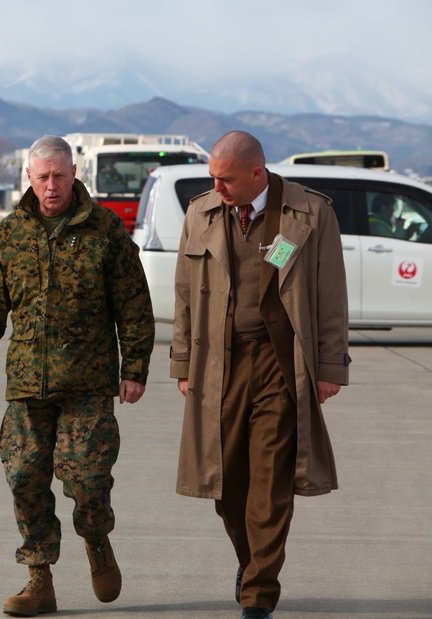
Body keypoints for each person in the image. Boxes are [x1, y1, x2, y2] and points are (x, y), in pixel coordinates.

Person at [0, 135, 155, 616]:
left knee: (88, 481)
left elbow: (134, 305)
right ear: (29, 177)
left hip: (88, 385)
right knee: (24, 476)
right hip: (27, 385)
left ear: (74, 175)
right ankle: (39, 579)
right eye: (43, 177)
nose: (51, 186)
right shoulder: (10, 234)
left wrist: (135, 368)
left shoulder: (105, 231)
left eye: (60, 177)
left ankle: (96, 538)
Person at [170, 131, 351, 619]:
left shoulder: (311, 214)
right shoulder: (201, 213)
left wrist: (331, 367)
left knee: (269, 483)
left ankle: (258, 597)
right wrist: (183, 363)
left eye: (225, 179)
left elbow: (331, 295)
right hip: (219, 364)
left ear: (257, 173)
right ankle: (252, 563)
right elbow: (185, 296)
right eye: (212, 177)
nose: (217, 186)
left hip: (279, 363)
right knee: (225, 481)